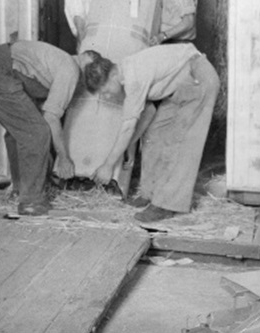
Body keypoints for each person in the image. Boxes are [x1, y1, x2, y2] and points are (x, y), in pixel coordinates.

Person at [83, 43, 220, 223]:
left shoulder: (133, 78)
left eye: (106, 91)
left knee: (179, 142)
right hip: (179, 88)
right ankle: (150, 193)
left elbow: (128, 127)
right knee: (153, 135)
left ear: (114, 75)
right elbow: (147, 114)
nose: (108, 96)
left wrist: (108, 165)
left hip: (198, 78)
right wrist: (130, 145)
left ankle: (165, 204)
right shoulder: (127, 71)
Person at [0, 40, 100, 216]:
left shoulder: (57, 63)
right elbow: (51, 119)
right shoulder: (71, 68)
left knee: (20, 132)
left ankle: (21, 189)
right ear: (87, 58)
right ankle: (31, 202)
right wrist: (64, 158)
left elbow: (44, 114)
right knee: (36, 133)